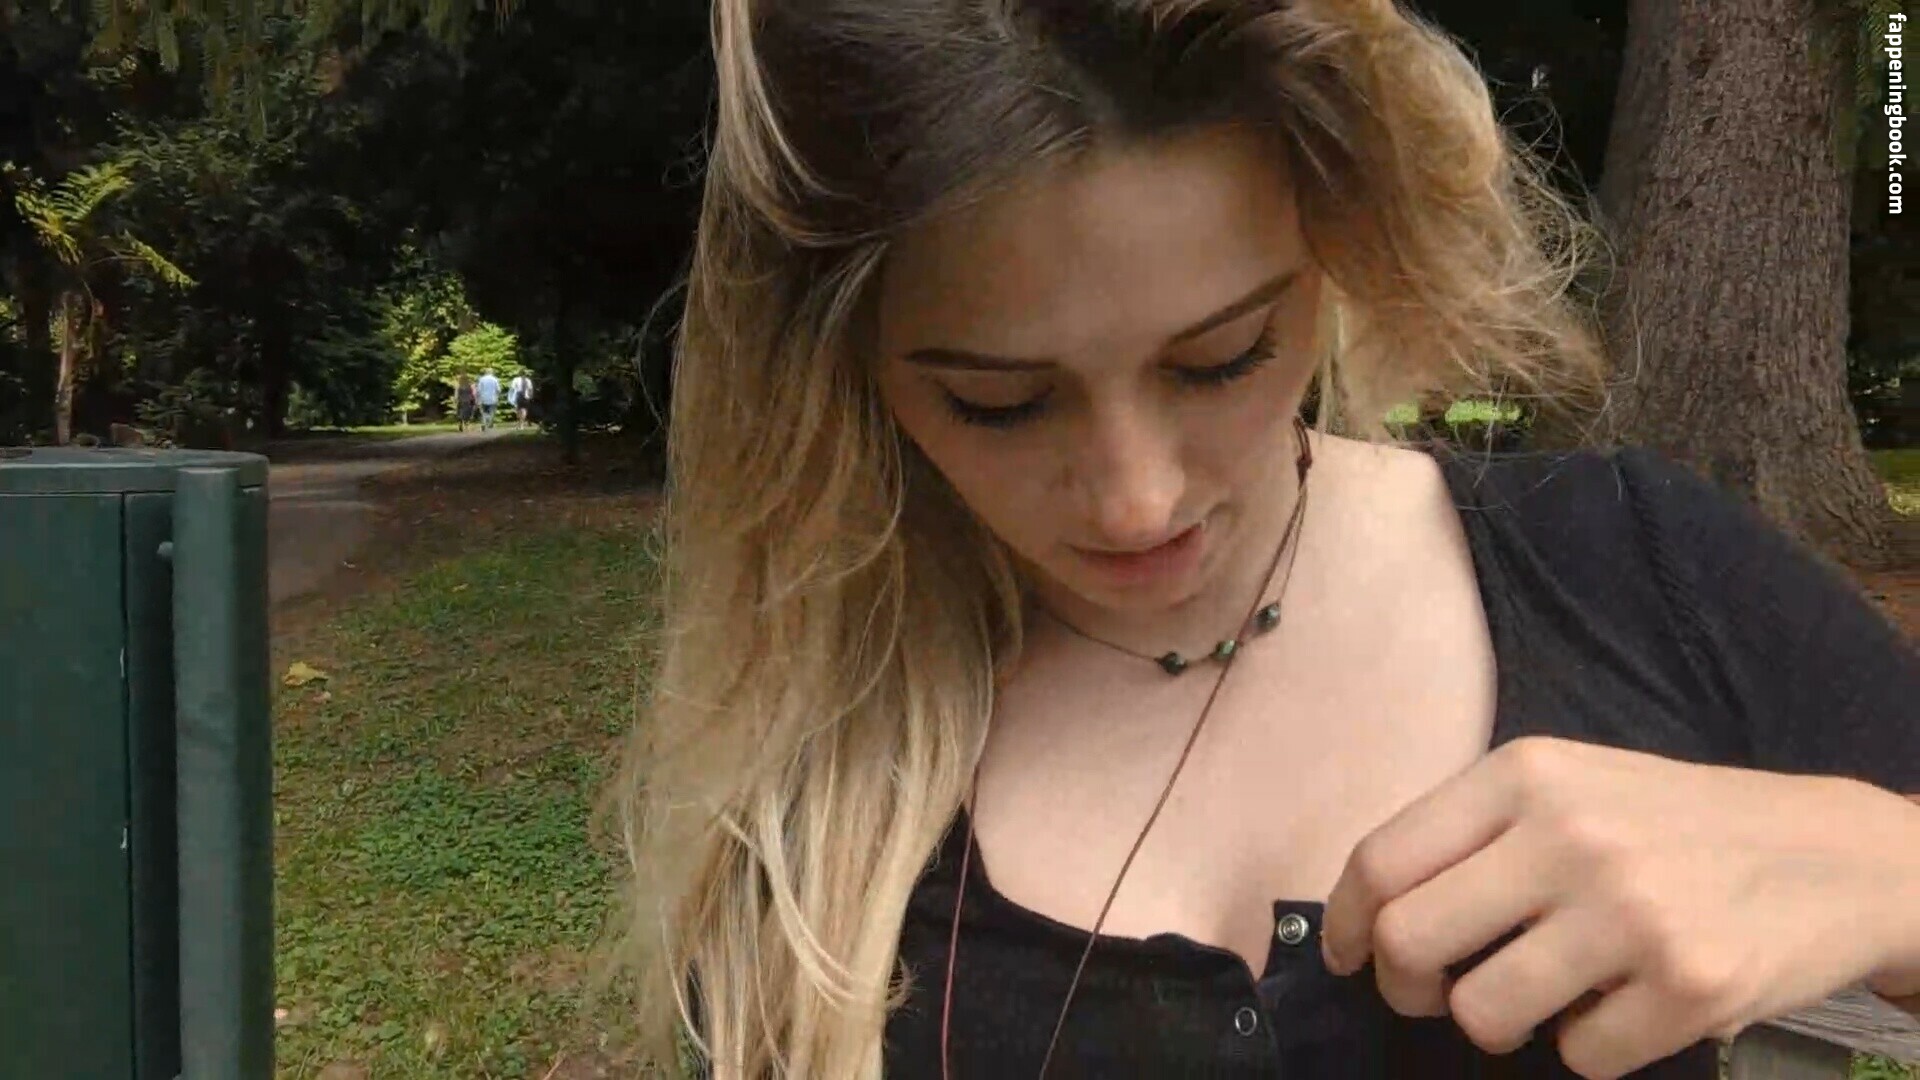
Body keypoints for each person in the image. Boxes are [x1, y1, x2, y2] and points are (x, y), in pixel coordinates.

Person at [610, 3, 1920, 1078]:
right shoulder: (809, 794)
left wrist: (1884, 868)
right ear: (843, 366)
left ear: (1342, 239)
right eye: (999, 403)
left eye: (1223, 358)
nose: (1137, 501)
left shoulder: (1636, 566)